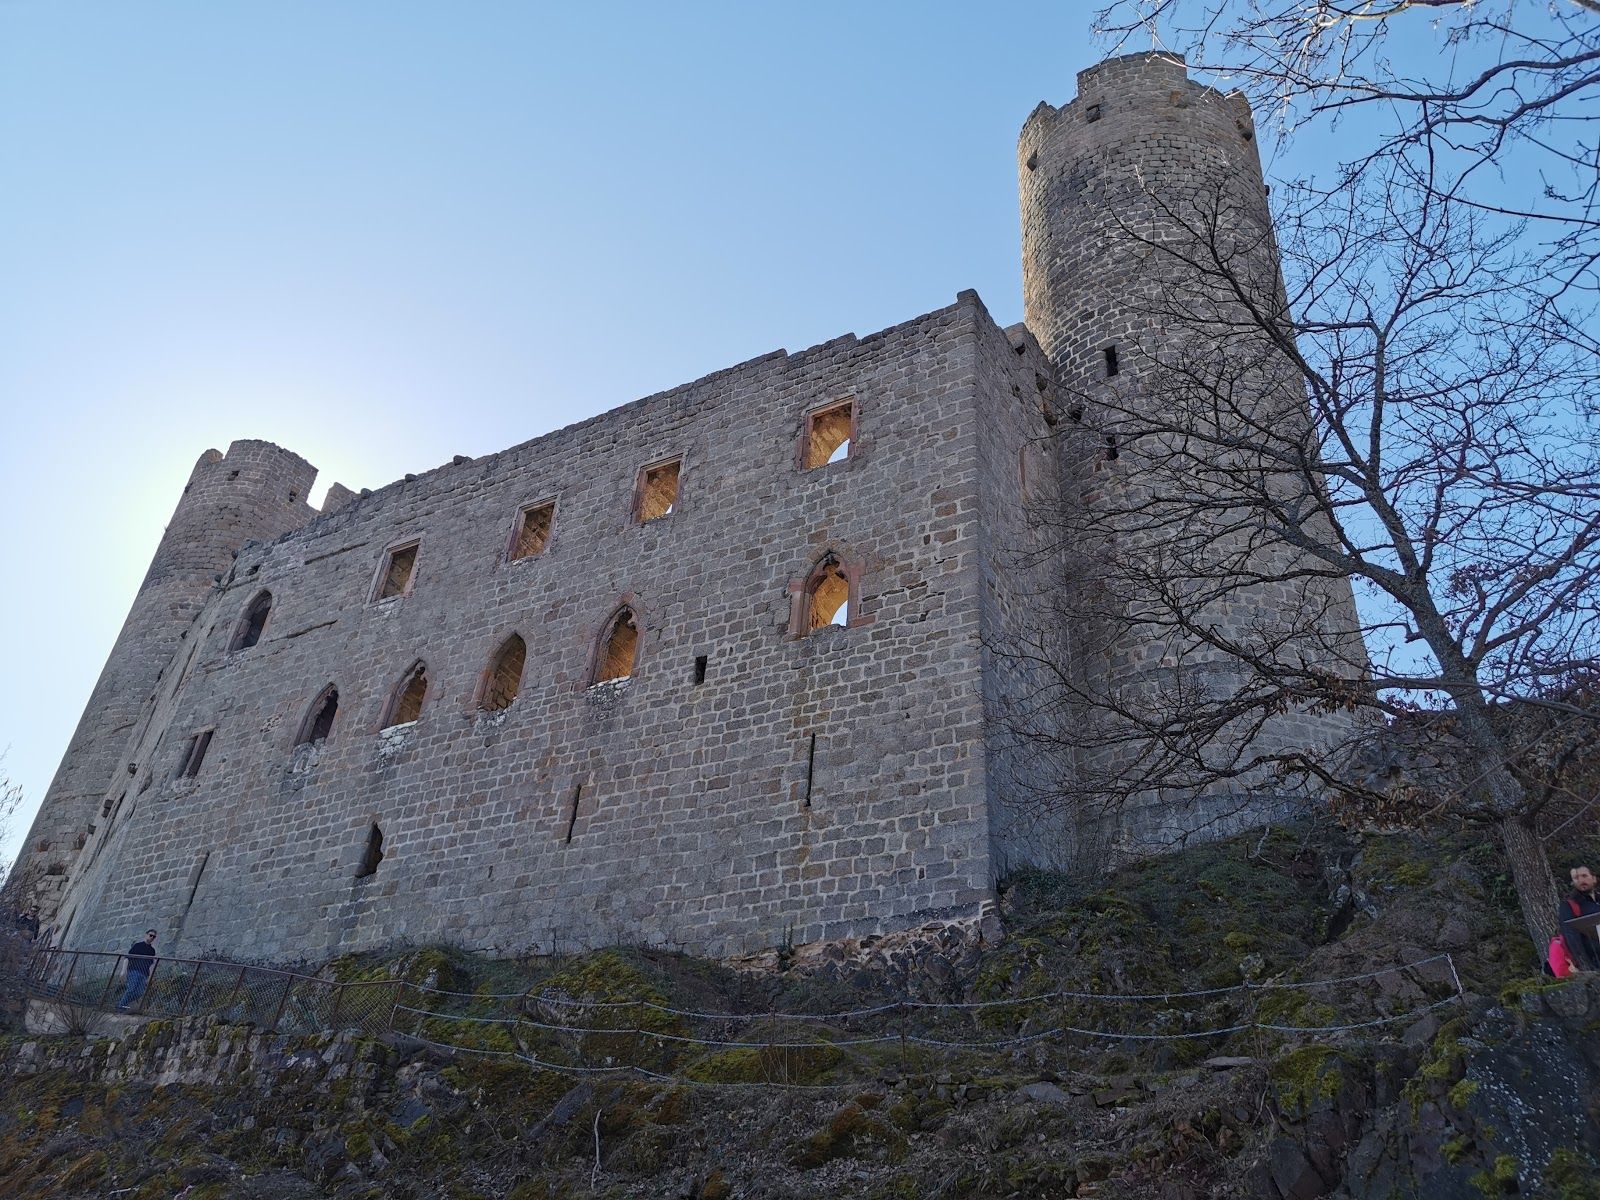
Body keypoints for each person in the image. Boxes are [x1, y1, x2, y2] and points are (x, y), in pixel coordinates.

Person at [1559, 867, 1600, 972]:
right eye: (1577, 878)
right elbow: (1571, 937)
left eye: (1584, 876)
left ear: (1594, 878)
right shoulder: (1569, 905)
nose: (1581, 880)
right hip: (1595, 962)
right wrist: (1586, 967)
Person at [116, 929, 158, 1012]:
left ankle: (122, 1004)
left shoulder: (152, 951)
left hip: (144, 973)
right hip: (134, 971)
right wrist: (123, 971)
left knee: (139, 993)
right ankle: (120, 1008)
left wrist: (150, 976)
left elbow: (151, 964)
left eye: (154, 936)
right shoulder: (138, 946)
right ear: (146, 935)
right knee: (131, 989)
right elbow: (127, 957)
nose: (152, 937)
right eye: (150, 935)